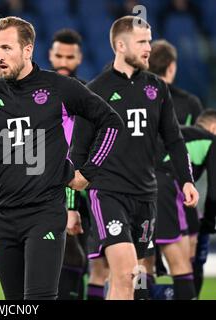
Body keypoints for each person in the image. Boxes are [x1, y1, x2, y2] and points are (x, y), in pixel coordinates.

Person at [0, 16, 124, 300]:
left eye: (6, 48)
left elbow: (111, 122)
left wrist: (89, 171)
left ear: (27, 50)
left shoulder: (59, 88)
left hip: (44, 214)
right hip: (0, 217)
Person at [72, 16, 199, 300]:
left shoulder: (157, 88)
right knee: (126, 272)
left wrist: (187, 181)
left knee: (134, 278)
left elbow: (174, 140)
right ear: (120, 45)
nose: (148, 48)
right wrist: (71, 206)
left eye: (149, 41)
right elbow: (77, 153)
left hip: (145, 195)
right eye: (142, 41)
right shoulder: (95, 91)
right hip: (107, 193)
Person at [146, 39, 206, 299]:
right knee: (186, 260)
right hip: (178, 191)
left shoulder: (138, 94)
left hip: (140, 185)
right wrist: (188, 180)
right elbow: (201, 150)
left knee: (140, 263)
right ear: (171, 67)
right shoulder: (189, 103)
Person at [48, 28, 89, 300]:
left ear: (79, 58)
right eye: (59, 55)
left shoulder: (87, 94)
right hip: (48, 189)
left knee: (80, 260)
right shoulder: (37, 93)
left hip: (82, 188)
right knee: (57, 261)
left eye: (69, 57)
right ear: (50, 55)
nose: (64, 62)